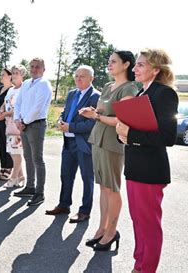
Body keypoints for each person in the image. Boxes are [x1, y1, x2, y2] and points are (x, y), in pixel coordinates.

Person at [116, 48, 178, 273]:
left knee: (149, 226)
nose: (135, 68)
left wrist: (130, 134)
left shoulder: (164, 94)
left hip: (151, 170)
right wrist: (122, 133)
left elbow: (167, 137)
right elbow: (132, 127)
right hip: (134, 167)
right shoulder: (142, 94)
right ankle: (138, 265)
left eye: (141, 64)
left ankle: (146, 268)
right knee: (137, 222)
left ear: (156, 69)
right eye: (136, 64)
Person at [79, 51, 138, 250]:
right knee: (103, 187)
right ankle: (102, 229)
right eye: (109, 61)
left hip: (113, 143)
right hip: (98, 139)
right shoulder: (107, 86)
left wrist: (95, 117)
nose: (109, 64)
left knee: (112, 188)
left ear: (126, 64)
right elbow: (102, 113)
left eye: (114, 61)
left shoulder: (129, 88)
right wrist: (93, 114)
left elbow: (123, 120)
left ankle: (112, 232)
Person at [45, 65, 100, 219]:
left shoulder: (95, 97)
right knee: (66, 175)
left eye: (82, 76)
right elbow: (65, 112)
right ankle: (64, 204)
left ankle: (85, 211)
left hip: (84, 143)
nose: (78, 79)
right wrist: (60, 121)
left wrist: (71, 127)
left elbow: (93, 124)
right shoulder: (71, 94)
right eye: (76, 76)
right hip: (68, 143)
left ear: (91, 79)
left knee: (86, 177)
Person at [13, 58, 52, 206]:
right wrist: (17, 119)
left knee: (37, 159)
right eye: (32, 67)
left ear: (43, 69)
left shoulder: (44, 84)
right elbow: (18, 103)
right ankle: (30, 186)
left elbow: (38, 107)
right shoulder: (26, 84)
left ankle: (39, 192)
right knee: (27, 157)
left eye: (38, 67)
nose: (34, 69)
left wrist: (24, 122)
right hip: (23, 124)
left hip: (36, 125)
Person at [2, 65, 27, 188]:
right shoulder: (11, 90)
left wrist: (5, 113)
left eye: (17, 72)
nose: (14, 75)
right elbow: (4, 103)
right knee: (12, 152)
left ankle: (13, 178)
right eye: (13, 72)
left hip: (17, 125)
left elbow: (20, 108)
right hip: (9, 124)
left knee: (16, 152)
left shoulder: (24, 89)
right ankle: (21, 176)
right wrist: (0, 111)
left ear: (22, 75)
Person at [0, 68, 14, 181]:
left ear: (10, 76)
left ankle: (9, 168)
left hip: (6, 119)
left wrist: (3, 114)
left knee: (7, 145)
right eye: (0, 75)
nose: (1, 77)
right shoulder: (0, 88)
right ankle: (3, 167)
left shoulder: (12, 89)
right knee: (0, 144)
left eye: (3, 75)